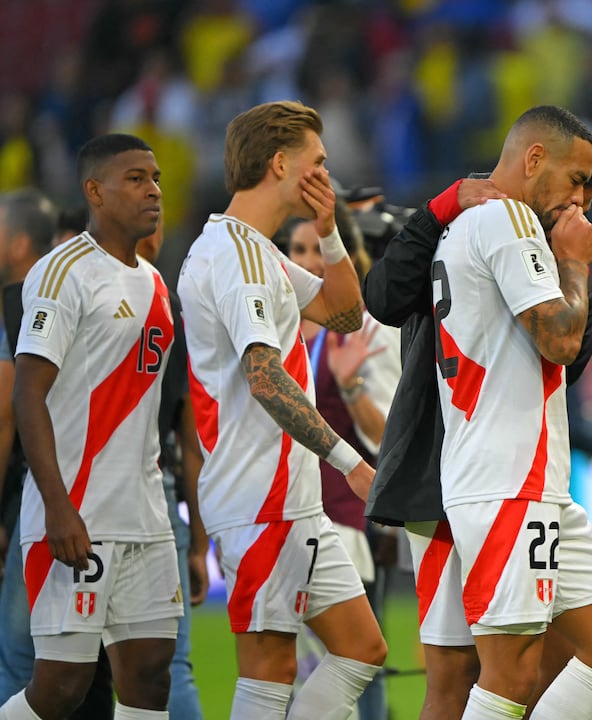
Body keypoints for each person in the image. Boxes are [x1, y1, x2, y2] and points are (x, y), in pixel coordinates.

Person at [177, 100, 385, 719]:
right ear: (279, 163)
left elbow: (344, 315)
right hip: (259, 497)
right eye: (317, 161)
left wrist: (329, 229)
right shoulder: (237, 260)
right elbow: (265, 378)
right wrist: (349, 462)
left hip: (292, 500)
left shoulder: (255, 251)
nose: (325, 172)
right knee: (269, 669)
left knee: (362, 649)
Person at [433, 104, 592, 720]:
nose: (581, 200)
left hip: (534, 483)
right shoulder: (509, 220)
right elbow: (560, 340)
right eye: (575, 180)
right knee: (510, 675)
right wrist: (575, 262)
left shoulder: (475, 224)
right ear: (534, 158)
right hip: (503, 481)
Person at [1, 133, 180, 719]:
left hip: (145, 514)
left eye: (156, 178)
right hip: (77, 509)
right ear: (95, 192)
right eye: (136, 178)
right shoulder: (62, 272)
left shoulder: (154, 281)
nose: (153, 190)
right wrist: (57, 507)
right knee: (61, 687)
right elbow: (28, 393)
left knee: (151, 675)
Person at [280, 201, 400, 720]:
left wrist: (350, 385)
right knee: (286, 668)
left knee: (352, 662)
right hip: (279, 513)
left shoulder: (359, 330)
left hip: (342, 519)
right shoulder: (269, 327)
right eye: (296, 250)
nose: (307, 261)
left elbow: (385, 438)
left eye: (317, 250)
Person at [136, 217, 208, 719]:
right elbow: (190, 438)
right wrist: (198, 541)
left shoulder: (72, 289)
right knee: (168, 665)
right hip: (157, 493)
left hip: (80, 491)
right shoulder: (171, 308)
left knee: (62, 668)